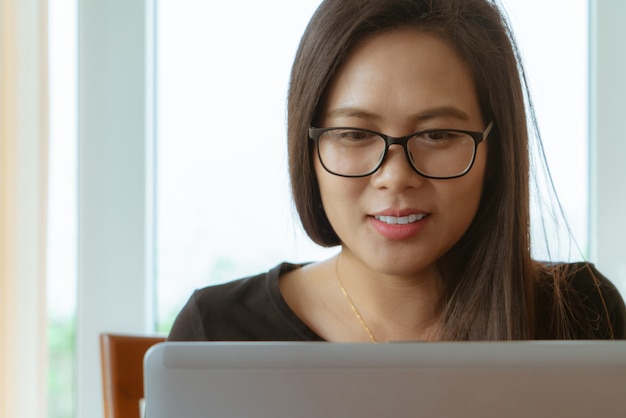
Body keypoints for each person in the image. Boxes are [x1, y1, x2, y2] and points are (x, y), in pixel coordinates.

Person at [168, 0, 626, 342]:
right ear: (307, 147)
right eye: (353, 134)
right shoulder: (217, 331)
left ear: (496, 151)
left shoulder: (582, 313)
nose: (395, 176)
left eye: (438, 135)